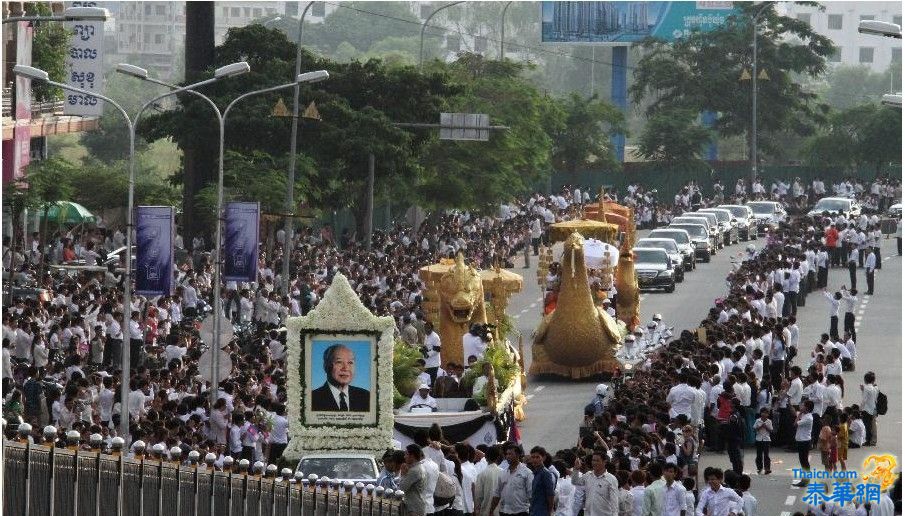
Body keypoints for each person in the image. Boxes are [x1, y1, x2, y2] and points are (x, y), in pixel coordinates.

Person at [310, 344, 371, 412]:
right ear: (326, 366)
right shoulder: (311, 398)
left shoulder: (366, 396)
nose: (346, 368)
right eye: (339, 362)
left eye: (350, 362)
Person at [571, 451, 618, 516]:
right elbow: (575, 481)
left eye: (597, 461)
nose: (594, 463)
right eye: (593, 460)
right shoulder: (588, 475)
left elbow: (614, 502)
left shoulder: (611, 479)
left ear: (604, 462)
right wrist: (576, 469)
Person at [490, 445, 533, 516]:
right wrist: (491, 510)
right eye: (506, 454)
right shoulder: (503, 473)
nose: (507, 456)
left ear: (518, 455)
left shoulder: (527, 472)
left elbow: (531, 494)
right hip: (504, 512)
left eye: (510, 454)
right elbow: (497, 494)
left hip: (521, 512)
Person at [399, 444, 434, 516]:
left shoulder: (414, 471)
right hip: (418, 505)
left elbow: (402, 487)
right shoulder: (420, 467)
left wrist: (402, 474)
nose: (404, 457)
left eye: (406, 454)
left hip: (413, 508)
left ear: (412, 456)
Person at [474, 446, 502, 516]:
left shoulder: (482, 474)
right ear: (498, 457)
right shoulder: (503, 473)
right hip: (500, 511)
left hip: (485, 511)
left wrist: (477, 509)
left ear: (485, 458)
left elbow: (478, 496)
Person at [792, 399, 814, 487]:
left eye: (804, 406)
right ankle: (805, 479)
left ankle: (805, 480)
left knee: (804, 461)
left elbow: (795, 424)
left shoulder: (808, 417)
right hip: (801, 440)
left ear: (807, 408)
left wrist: (800, 413)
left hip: (804, 441)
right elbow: (794, 412)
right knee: (803, 461)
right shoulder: (805, 415)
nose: (802, 407)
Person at [528, 447, 556, 516]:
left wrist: (550, 512)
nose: (534, 459)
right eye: (533, 457)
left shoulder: (546, 473)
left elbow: (550, 495)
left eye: (537, 457)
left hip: (542, 512)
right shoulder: (535, 473)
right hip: (533, 511)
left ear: (543, 458)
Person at [860, 372, 879, 447]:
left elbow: (864, 400)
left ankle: (868, 440)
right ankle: (873, 440)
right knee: (873, 425)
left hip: (867, 409)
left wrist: (860, 408)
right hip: (873, 408)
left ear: (865, 380)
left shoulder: (866, 388)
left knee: (867, 425)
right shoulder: (876, 388)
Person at [753, 407, 773, 475]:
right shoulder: (757, 420)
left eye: (766, 413)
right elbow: (754, 429)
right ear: (760, 413)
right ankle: (759, 468)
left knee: (766, 455)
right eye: (763, 412)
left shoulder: (769, 421)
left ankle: (767, 468)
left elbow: (771, 430)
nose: (764, 414)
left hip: (766, 440)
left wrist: (766, 426)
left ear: (768, 414)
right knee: (759, 455)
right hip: (759, 439)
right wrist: (761, 426)